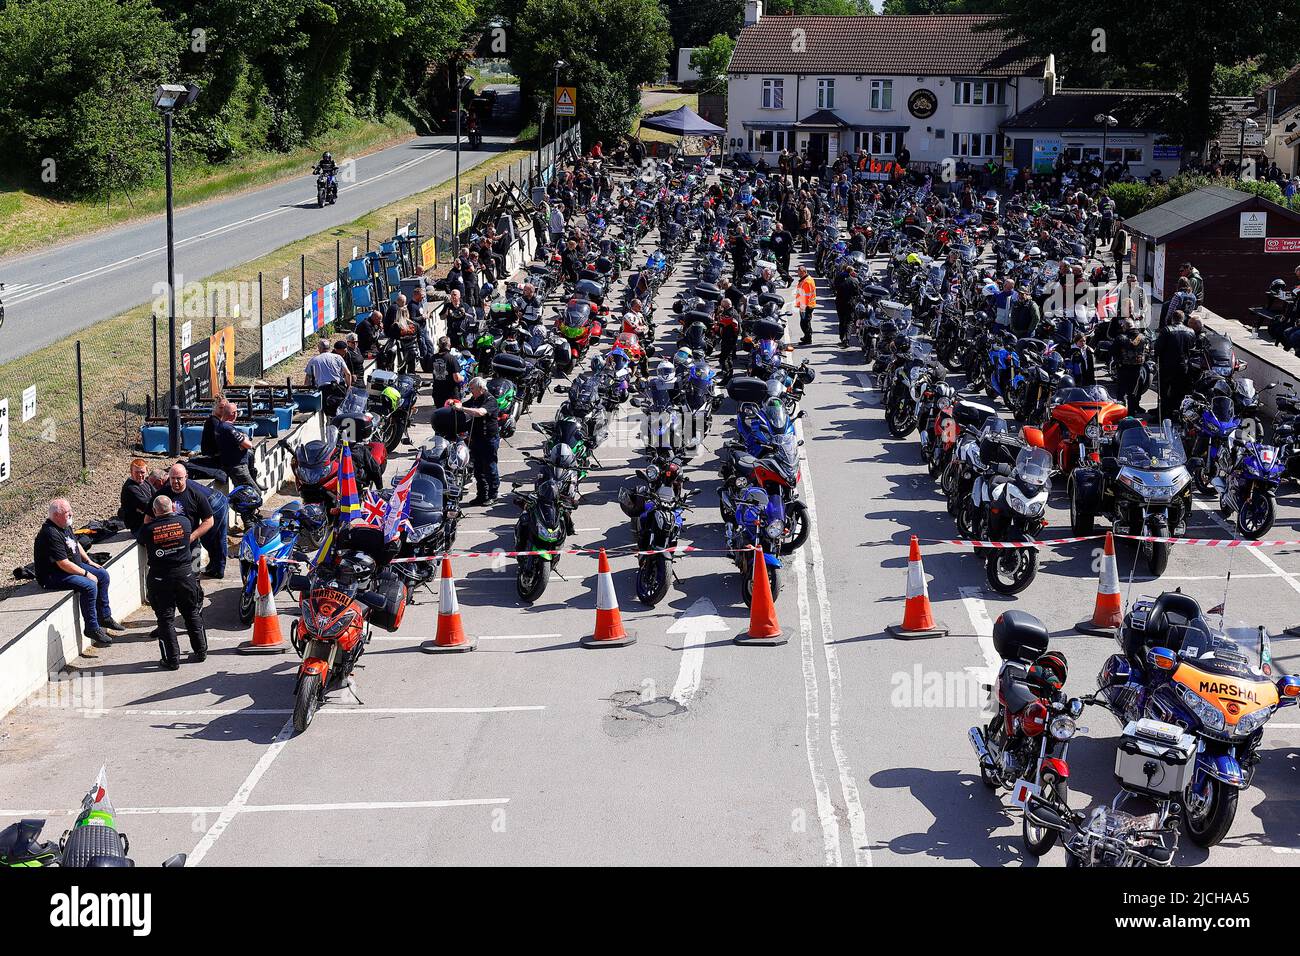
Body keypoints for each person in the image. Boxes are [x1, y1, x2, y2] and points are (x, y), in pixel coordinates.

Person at [35, 499, 124, 646]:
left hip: (72, 566)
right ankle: (92, 627)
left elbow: (75, 543)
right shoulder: (50, 533)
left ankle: (104, 616)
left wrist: (89, 562)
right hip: (54, 575)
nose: (71, 514)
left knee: (102, 575)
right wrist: (85, 573)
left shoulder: (64, 524)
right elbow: (63, 563)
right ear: (56, 515)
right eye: (67, 513)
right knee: (89, 585)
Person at [139, 496, 207, 669]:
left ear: (155, 511)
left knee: (165, 619)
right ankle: (201, 651)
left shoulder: (149, 529)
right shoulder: (184, 522)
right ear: (173, 508)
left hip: (161, 579)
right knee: (191, 613)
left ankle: (172, 659)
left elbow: (142, 539)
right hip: (185, 575)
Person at [154, 464, 214, 576]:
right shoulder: (161, 495)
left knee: (195, 576)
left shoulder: (196, 495)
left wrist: (192, 536)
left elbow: (209, 521)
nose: (175, 481)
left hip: (192, 545)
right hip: (169, 548)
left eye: (179, 478)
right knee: (173, 579)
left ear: (186, 477)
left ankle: (196, 592)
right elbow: (148, 518)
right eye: (172, 478)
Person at [461, 377, 499, 505]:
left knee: (489, 467)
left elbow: (479, 412)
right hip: (476, 439)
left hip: (489, 439)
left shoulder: (490, 400)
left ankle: (493, 495)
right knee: (477, 469)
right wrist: (454, 404)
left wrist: (461, 409)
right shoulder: (475, 399)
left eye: (472, 389)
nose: (470, 391)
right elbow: (465, 405)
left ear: (481, 389)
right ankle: (482, 495)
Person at [1155, 309, 1195, 419]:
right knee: (1179, 391)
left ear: (1172, 318)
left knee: (1164, 391)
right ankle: (1176, 413)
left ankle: (1163, 414)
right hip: (1183, 366)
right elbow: (1192, 349)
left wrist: (1157, 360)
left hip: (1167, 366)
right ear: (1183, 319)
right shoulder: (1190, 331)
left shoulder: (1167, 330)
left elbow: (1158, 348)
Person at [213, 400, 257, 490]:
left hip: (232, 465)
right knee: (255, 494)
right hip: (238, 467)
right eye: (237, 412)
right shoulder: (228, 428)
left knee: (242, 493)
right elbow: (249, 445)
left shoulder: (221, 426)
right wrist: (244, 440)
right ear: (233, 414)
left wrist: (242, 442)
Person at [304, 338, 353, 413]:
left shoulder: (314, 360)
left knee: (327, 411)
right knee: (341, 410)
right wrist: (349, 386)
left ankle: (328, 423)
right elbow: (348, 374)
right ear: (329, 348)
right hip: (339, 387)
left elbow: (308, 378)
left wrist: (306, 392)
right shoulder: (337, 357)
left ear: (319, 348)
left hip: (324, 389)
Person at [1114, 318, 1149, 416]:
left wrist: (1118, 362)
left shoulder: (1120, 338)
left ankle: (1120, 413)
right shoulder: (1142, 337)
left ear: (1125, 326)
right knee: (1133, 392)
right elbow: (1147, 353)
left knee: (1121, 392)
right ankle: (1131, 414)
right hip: (1137, 369)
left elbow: (1113, 352)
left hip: (1123, 368)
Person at [119, 458, 155, 533]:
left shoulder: (145, 482)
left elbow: (157, 495)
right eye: (136, 472)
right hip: (139, 527)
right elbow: (146, 505)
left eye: (142, 472)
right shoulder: (130, 488)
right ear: (131, 472)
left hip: (149, 520)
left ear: (147, 471)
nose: (140, 475)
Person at [429, 336, 464, 408]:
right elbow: (457, 378)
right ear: (449, 345)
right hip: (450, 394)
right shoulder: (451, 358)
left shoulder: (433, 358)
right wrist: (462, 378)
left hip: (437, 392)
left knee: (441, 414)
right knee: (453, 415)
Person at [832, 266, 860, 348]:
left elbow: (834, 286)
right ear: (851, 272)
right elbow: (857, 293)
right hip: (849, 303)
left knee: (842, 321)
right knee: (849, 321)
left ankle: (842, 338)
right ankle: (847, 339)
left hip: (840, 302)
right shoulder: (853, 281)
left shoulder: (838, 278)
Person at [794, 265, 817, 345]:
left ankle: (808, 339)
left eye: (799, 272)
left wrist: (803, 307)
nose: (798, 274)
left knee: (805, 323)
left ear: (804, 272)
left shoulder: (807, 281)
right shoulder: (805, 280)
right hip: (805, 305)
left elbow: (807, 296)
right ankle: (806, 336)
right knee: (805, 322)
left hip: (807, 306)